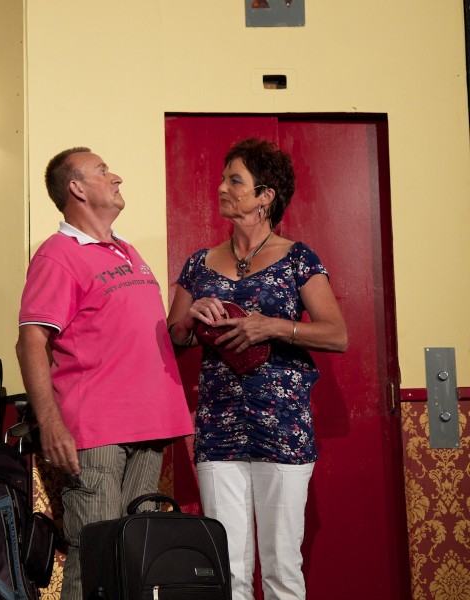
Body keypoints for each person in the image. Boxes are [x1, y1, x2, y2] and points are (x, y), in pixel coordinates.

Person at [166, 138, 348, 600]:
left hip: (282, 427)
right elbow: (175, 337)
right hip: (218, 428)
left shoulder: (298, 258)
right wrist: (191, 317)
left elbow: (336, 334)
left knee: (282, 569)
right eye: (223, 178)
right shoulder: (198, 263)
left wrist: (271, 326)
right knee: (226, 572)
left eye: (235, 180)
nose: (221, 187)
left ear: (265, 196)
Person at [15, 147, 193, 600]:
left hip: (150, 426)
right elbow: (31, 341)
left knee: (135, 556)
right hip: (97, 431)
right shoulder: (58, 255)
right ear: (76, 188)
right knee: (96, 554)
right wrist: (50, 422)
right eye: (102, 171)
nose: (116, 177)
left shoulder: (126, 250)